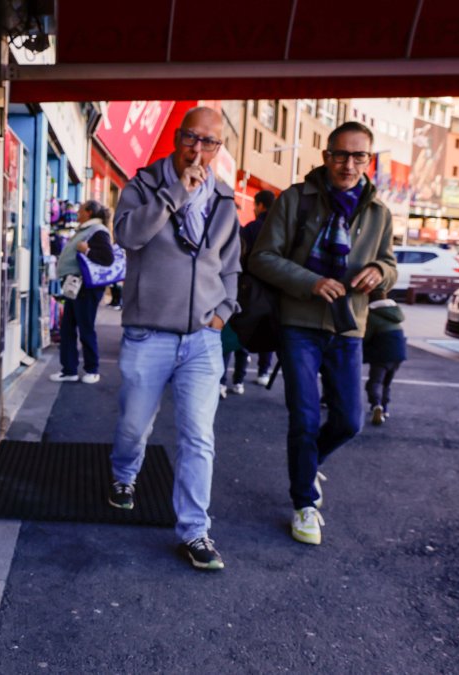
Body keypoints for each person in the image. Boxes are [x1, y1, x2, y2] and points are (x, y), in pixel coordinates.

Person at [249, 121, 397, 546]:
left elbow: (389, 263)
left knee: (350, 421)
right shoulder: (296, 199)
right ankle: (303, 503)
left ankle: (308, 462)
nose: (348, 165)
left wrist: (379, 271)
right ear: (325, 155)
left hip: (349, 326)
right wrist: (309, 281)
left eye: (358, 157)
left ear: (368, 161)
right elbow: (262, 258)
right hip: (299, 324)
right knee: (305, 417)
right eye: (340, 155)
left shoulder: (378, 212)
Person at [108, 107, 240, 571]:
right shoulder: (144, 184)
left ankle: (195, 531)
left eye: (210, 143)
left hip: (202, 339)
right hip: (148, 333)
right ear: (177, 137)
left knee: (198, 436)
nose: (199, 150)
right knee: (133, 425)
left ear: (218, 148)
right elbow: (127, 235)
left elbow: (230, 267)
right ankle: (125, 475)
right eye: (192, 138)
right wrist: (172, 196)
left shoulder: (225, 199)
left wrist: (223, 314)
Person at [50, 201, 115, 384]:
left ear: (88, 212)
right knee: (67, 328)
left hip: (86, 287)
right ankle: (69, 370)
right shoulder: (86, 230)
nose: (77, 213)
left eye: (80, 210)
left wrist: (87, 250)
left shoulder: (97, 231)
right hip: (76, 286)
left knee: (85, 328)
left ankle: (92, 369)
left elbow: (107, 258)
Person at [220, 189, 277, 397]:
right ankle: (260, 372)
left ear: (261, 205)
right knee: (265, 330)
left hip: (246, 287)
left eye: (255, 204)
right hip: (271, 289)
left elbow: (238, 254)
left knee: (235, 330)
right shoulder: (279, 228)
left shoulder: (251, 228)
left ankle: (223, 381)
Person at [364, 288, 407, 426]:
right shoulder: (394, 313)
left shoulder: (372, 315)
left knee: (374, 382)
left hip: (382, 354)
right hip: (399, 354)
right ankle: (385, 408)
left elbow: (365, 337)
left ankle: (376, 405)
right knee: (386, 383)